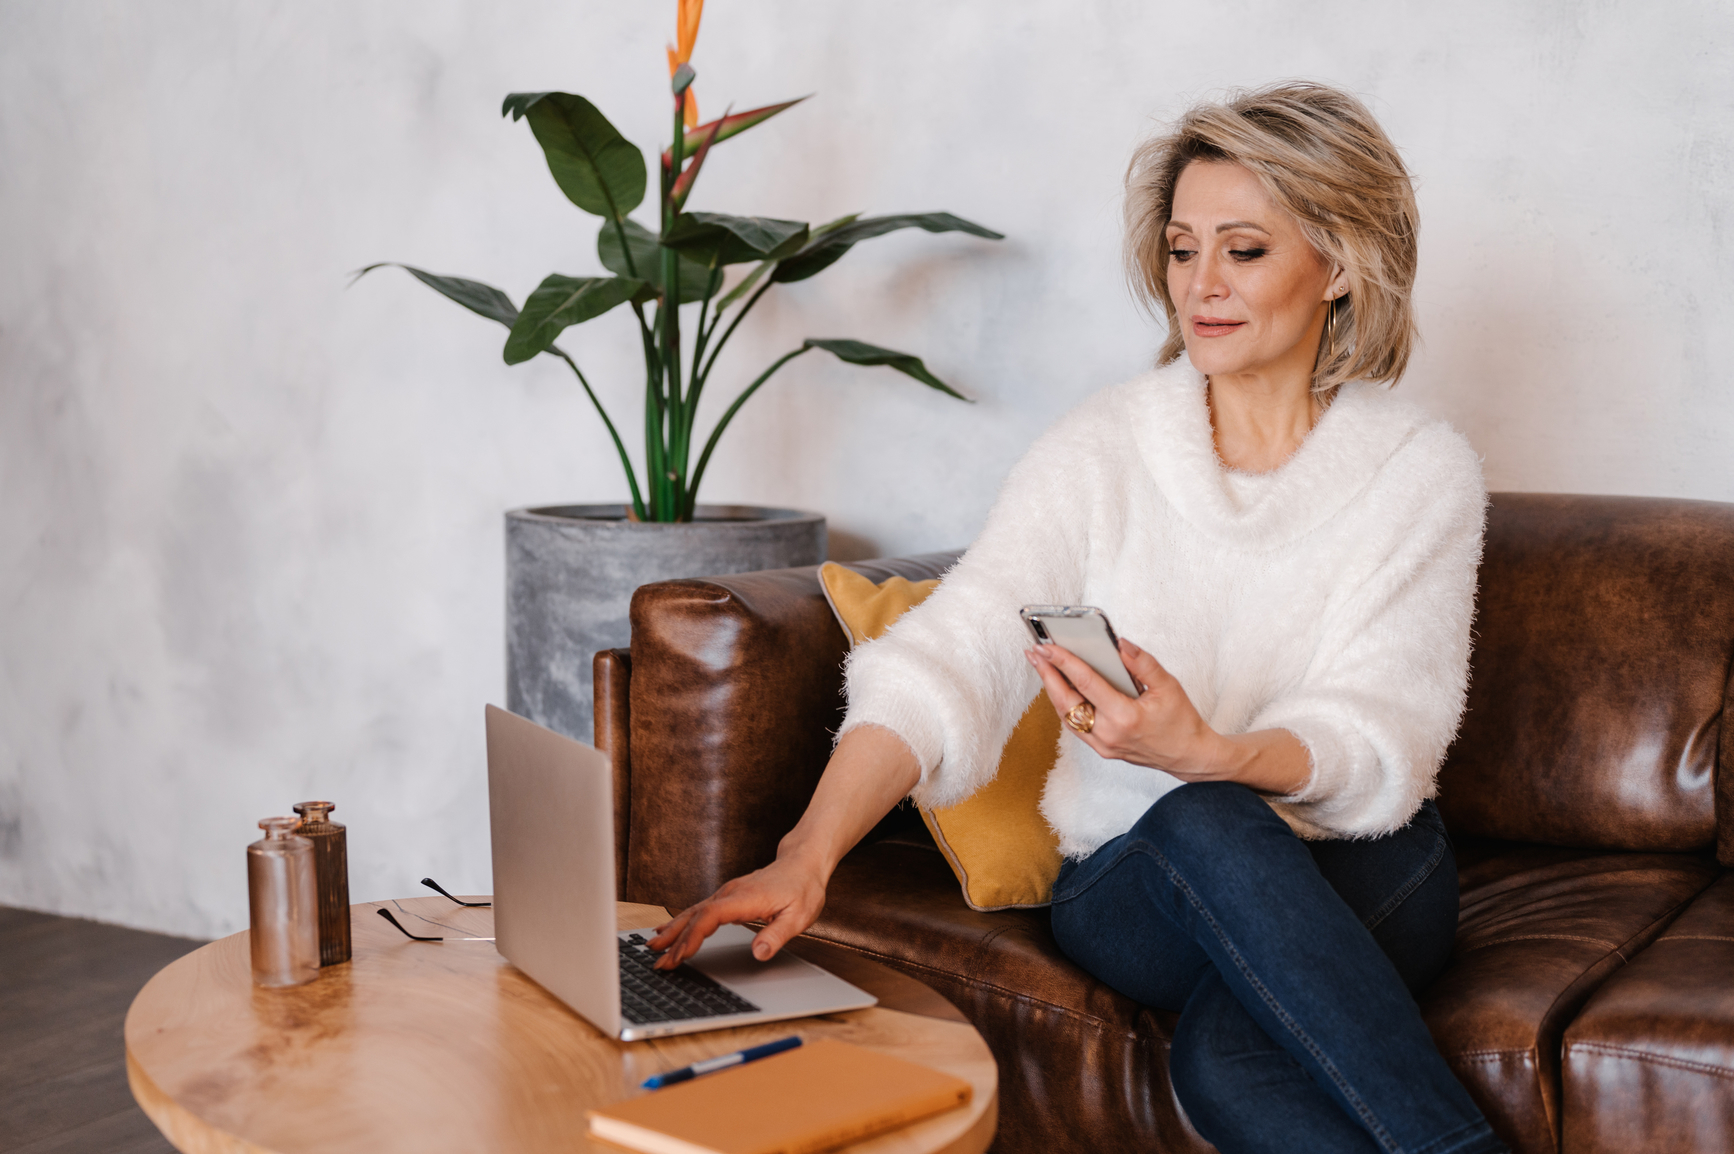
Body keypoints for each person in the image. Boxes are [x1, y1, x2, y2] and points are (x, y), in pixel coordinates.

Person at [651, 82, 1506, 1154]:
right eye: (1182, 249)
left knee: (1225, 1062)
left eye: (1244, 251)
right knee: (1200, 818)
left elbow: (1387, 728)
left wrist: (1213, 751)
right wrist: (806, 852)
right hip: (1138, 876)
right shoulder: (1106, 446)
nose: (1201, 284)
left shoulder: (1419, 471)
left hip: (1363, 859)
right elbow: (953, 651)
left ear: (1338, 264)